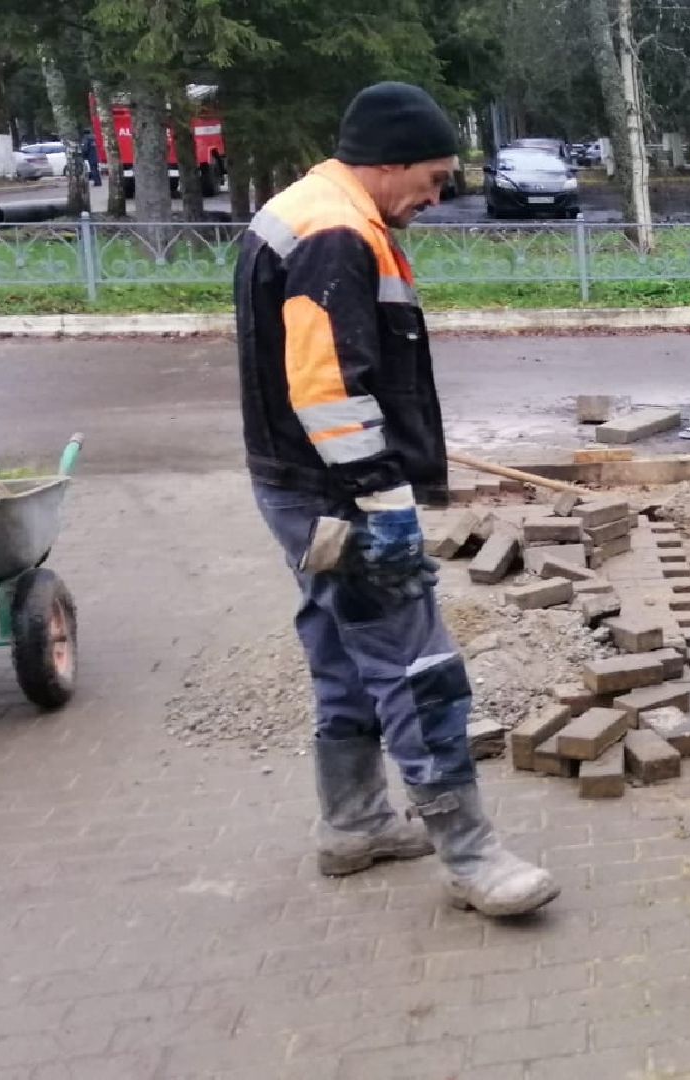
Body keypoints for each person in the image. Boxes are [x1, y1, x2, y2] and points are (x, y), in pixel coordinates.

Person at [234, 82, 557, 917]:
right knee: (420, 670)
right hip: (337, 494)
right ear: (390, 161)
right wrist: (383, 501)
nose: (438, 196)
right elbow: (329, 388)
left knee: (345, 653)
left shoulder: (310, 209)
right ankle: (473, 858)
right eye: (434, 177)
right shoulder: (335, 234)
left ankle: (354, 823)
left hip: (296, 485)